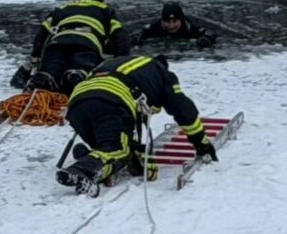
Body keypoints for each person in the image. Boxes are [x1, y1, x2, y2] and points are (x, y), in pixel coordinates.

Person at [62, 53, 215, 189]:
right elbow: (183, 110)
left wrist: (136, 152)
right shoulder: (163, 74)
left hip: (76, 104)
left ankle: (89, 163)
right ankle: (80, 170)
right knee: (118, 150)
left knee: (109, 150)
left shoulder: (123, 65)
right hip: (112, 102)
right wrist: (201, 143)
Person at [19, 0, 120, 92]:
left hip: (57, 42)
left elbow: (43, 31)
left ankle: (47, 78)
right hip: (86, 43)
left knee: (52, 66)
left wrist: (36, 55)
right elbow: (119, 34)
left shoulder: (63, 8)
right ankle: (76, 77)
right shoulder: (105, 10)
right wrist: (121, 57)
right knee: (82, 67)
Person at [129, 1, 220, 50]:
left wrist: (205, 38)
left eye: (175, 21)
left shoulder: (190, 27)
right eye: (167, 22)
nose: (171, 26)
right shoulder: (156, 27)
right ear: (162, 21)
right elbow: (139, 31)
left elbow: (210, 32)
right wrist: (136, 37)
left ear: (181, 20)